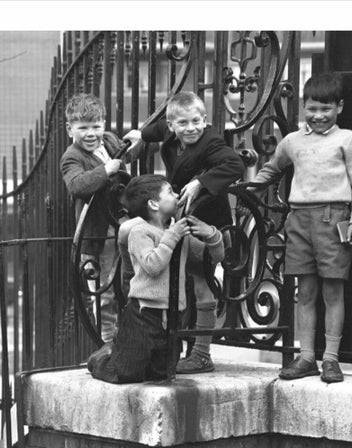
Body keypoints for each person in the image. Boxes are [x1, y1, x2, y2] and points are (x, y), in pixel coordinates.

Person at [248, 72, 352, 383]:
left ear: (339, 107)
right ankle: (306, 358)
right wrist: (248, 190)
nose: (318, 116)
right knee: (304, 292)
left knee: (333, 291)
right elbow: (271, 170)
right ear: (303, 107)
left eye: (326, 109)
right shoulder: (292, 142)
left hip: (334, 220)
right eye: (312, 109)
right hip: (299, 220)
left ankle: (330, 359)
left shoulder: (349, 140)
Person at [124, 91, 245, 373]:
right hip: (183, 221)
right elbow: (154, 129)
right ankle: (161, 339)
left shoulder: (210, 141)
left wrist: (202, 182)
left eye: (196, 121)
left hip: (209, 226)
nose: (190, 128)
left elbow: (235, 164)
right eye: (183, 123)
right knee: (177, 281)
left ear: (204, 120)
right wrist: (141, 135)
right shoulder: (168, 131)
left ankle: (202, 354)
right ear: (172, 125)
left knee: (203, 285)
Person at [87, 174, 225, 383]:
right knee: (125, 373)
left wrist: (211, 234)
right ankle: (101, 358)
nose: (177, 195)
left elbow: (214, 259)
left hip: (172, 318)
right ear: (153, 204)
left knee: (161, 372)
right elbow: (152, 265)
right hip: (143, 314)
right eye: (170, 192)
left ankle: (123, 352)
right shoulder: (140, 232)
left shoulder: (178, 234)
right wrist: (173, 236)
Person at [60, 93, 127, 344]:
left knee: (124, 285)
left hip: (120, 228)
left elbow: (125, 154)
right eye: (83, 127)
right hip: (96, 236)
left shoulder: (108, 142)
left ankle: (126, 339)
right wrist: (105, 170)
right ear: (70, 129)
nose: (91, 133)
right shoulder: (72, 157)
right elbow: (77, 185)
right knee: (103, 293)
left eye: (96, 126)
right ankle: (107, 345)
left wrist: (137, 140)